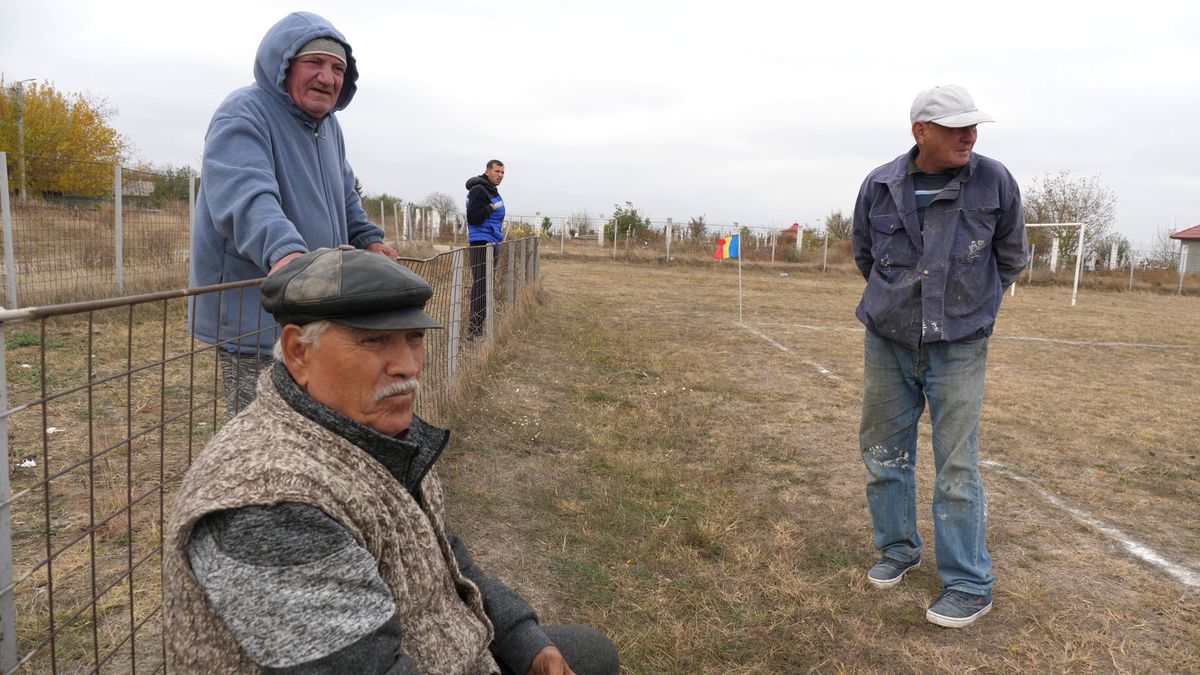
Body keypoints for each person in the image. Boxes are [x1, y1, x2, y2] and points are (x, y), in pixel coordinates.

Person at [164, 247, 619, 674]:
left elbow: (440, 551)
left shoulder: (369, 430)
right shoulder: (266, 504)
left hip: (440, 648)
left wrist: (526, 642)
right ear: (300, 352)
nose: (408, 366)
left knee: (586, 651)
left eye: (415, 338)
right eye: (375, 341)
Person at [851, 85, 1028, 628]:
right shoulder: (879, 185)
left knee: (957, 466)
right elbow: (864, 253)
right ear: (920, 132)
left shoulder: (995, 181)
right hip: (888, 340)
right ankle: (898, 549)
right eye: (955, 127)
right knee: (884, 453)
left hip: (959, 347)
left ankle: (970, 584)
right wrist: (899, 309)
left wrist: (969, 314)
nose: (969, 136)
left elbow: (1010, 256)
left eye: (973, 126)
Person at [189, 12, 397, 415]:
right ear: (283, 66)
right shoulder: (244, 112)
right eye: (314, 63)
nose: (327, 77)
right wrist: (285, 255)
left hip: (313, 307)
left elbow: (345, 193)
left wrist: (368, 238)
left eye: (338, 68)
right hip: (257, 312)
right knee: (260, 430)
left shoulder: (328, 128)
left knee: (309, 423)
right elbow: (246, 197)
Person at [464, 160, 506, 338]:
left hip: (491, 242)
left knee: (484, 285)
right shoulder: (479, 190)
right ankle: (474, 331)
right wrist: (490, 207)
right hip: (481, 243)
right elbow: (473, 217)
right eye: (497, 171)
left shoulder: (490, 190)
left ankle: (478, 328)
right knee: (481, 285)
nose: (500, 175)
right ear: (487, 171)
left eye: (503, 173)